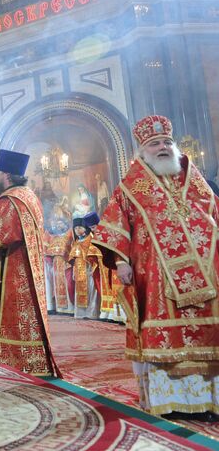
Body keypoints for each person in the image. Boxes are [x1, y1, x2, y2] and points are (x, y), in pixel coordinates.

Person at [93, 115, 219, 421]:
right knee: (163, 337)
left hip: (206, 274)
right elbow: (115, 223)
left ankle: (208, 402)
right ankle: (169, 401)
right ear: (143, 150)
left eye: (166, 142)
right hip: (156, 278)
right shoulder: (131, 185)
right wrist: (121, 261)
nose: (162, 147)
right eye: (154, 144)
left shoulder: (195, 178)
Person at [0, 150, 59, 376]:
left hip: (11, 275)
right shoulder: (28, 196)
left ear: (6, 175)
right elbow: (13, 225)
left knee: (13, 321)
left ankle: (14, 364)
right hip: (27, 271)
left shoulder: (10, 199)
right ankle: (34, 361)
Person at [67, 215, 104, 320]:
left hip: (89, 270)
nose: (77, 230)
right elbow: (73, 258)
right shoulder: (76, 242)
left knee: (91, 291)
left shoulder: (91, 239)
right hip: (79, 270)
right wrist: (74, 271)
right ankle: (80, 313)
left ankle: (92, 313)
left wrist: (92, 265)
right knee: (79, 292)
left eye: (79, 227)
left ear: (85, 228)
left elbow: (95, 253)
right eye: (75, 228)